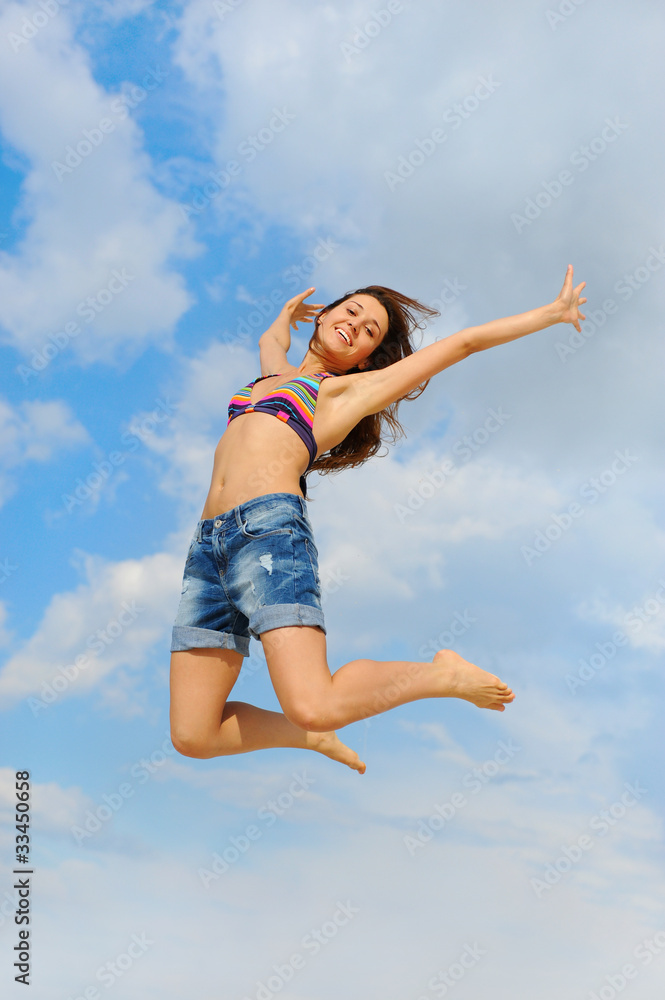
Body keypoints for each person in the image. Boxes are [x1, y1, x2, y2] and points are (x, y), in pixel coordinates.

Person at [169, 265, 586, 774]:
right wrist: (283, 314)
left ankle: (440, 675)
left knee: (314, 700)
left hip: (269, 536)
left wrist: (552, 312)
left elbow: (464, 344)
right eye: (351, 311)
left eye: (369, 332)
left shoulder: (342, 395)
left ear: (366, 358)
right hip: (207, 548)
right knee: (193, 734)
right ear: (324, 315)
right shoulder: (271, 375)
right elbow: (270, 339)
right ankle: (310, 738)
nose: (355, 326)